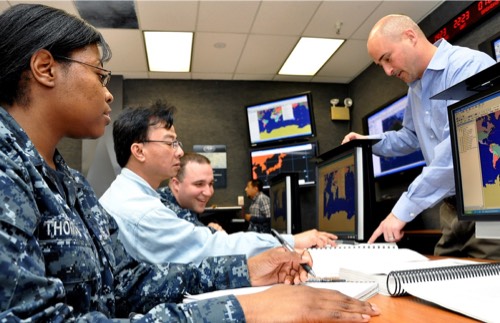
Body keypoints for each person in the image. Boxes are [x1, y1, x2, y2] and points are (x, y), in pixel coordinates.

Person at [0, 4, 384, 322]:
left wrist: (246, 271)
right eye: (100, 75)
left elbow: (126, 286)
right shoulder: (6, 171)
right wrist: (245, 309)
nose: (108, 94)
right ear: (45, 68)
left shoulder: (69, 183)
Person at [342, 14, 500, 259]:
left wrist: (401, 211)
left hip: (488, 205)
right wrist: (369, 143)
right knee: (437, 280)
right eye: (380, 65)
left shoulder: (468, 67)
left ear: (410, 37)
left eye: (387, 58)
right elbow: (410, 136)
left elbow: (458, 152)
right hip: (450, 209)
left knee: (487, 284)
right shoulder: (415, 88)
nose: (387, 71)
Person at [101, 103, 337, 266]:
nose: (180, 151)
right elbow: (213, 249)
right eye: (170, 143)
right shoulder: (143, 211)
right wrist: (292, 241)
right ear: (139, 151)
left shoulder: (129, 194)